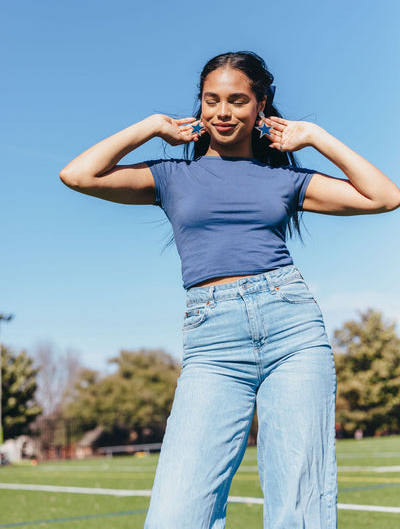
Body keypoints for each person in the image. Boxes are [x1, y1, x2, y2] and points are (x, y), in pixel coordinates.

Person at [59, 51, 400, 528]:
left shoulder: (286, 178)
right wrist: (150, 126)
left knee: (300, 510)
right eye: (211, 100)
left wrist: (315, 136)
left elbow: (385, 196)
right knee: (177, 515)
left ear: (260, 106)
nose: (223, 112)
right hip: (213, 341)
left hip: (293, 329)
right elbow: (78, 175)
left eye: (238, 100)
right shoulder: (171, 177)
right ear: (198, 106)